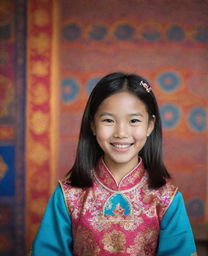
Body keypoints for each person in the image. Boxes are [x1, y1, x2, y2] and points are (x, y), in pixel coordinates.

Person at [31, 72, 197, 256]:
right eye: (108, 120)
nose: (121, 133)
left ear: (150, 125)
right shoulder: (69, 195)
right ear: (93, 125)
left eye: (134, 121)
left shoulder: (166, 199)